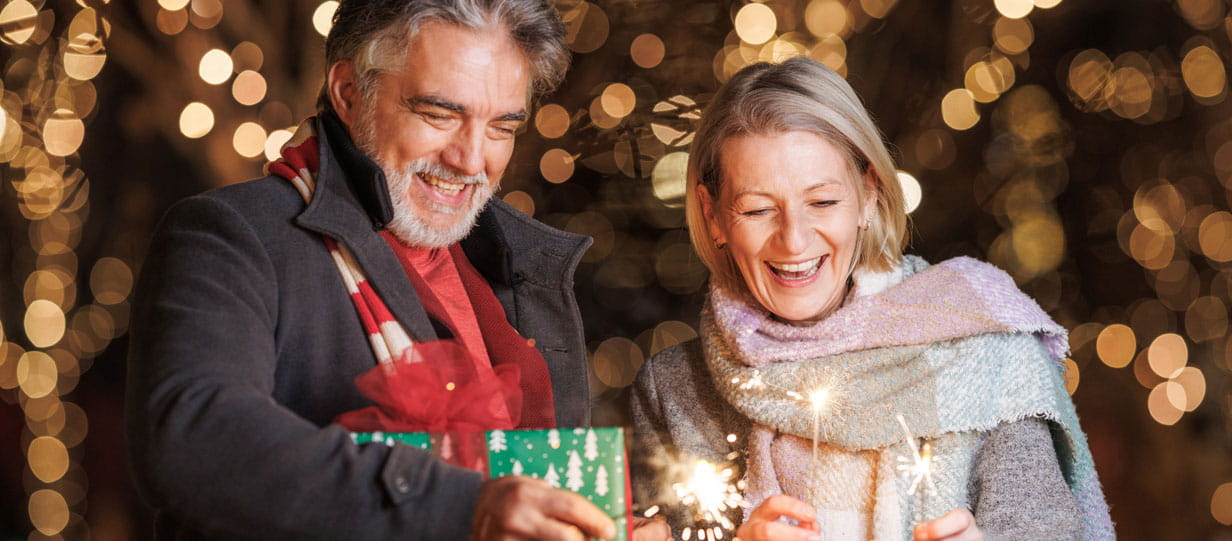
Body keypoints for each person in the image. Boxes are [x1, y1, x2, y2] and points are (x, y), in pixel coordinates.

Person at [126, 1, 622, 539]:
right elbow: (195, 439)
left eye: (502, 127)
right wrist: (464, 507)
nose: (471, 159)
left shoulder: (510, 264)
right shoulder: (234, 233)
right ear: (348, 92)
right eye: (440, 115)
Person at [630, 57, 1115, 541]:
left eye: (822, 202)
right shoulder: (674, 391)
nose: (794, 240)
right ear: (713, 216)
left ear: (868, 195)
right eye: (757, 210)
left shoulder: (985, 350)